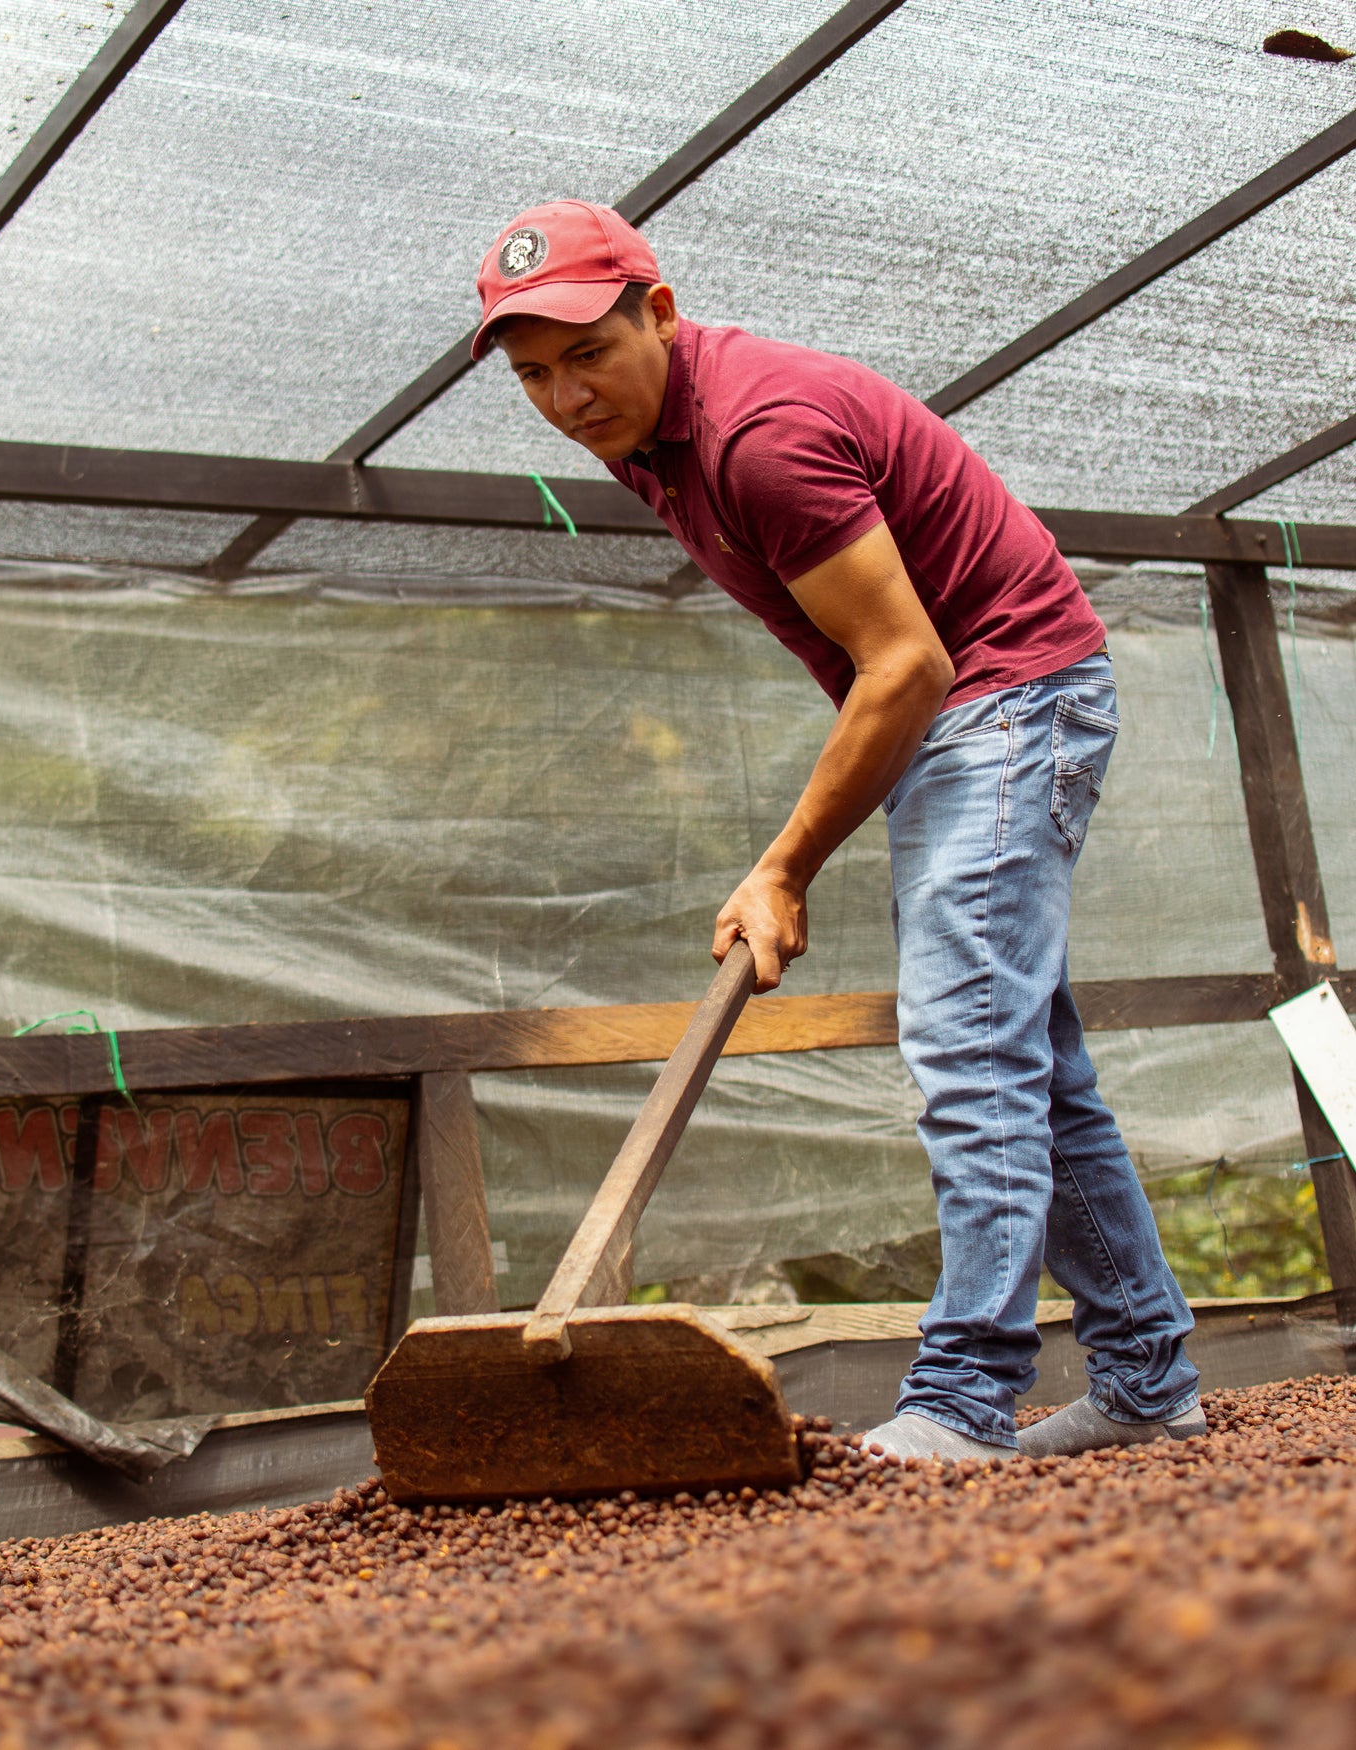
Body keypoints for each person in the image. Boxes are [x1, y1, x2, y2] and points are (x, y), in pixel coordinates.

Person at [471, 198, 1202, 1460]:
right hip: (966, 710)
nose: (567, 398)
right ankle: (1142, 1375)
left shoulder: (759, 436)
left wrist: (783, 866)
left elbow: (905, 662)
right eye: (534, 375)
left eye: (587, 353)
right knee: (1032, 1061)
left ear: (659, 311)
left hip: (1002, 698)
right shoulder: (650, 437)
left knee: (970, 1048)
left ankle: (965, 1394)